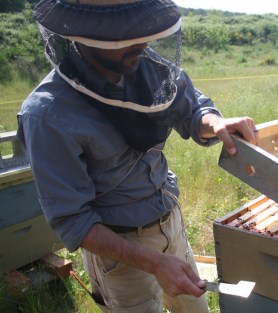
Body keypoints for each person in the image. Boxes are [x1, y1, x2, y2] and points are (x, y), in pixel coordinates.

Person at [17, 0, 258, 312]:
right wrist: (153, 262)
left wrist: (214, 121)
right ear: (87, 36)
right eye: (128, 34)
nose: (143, 42)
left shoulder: (146, 67)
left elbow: (190, 106)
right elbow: (74, 221)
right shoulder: (47, 114)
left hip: (171, 226)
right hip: (120, 254)